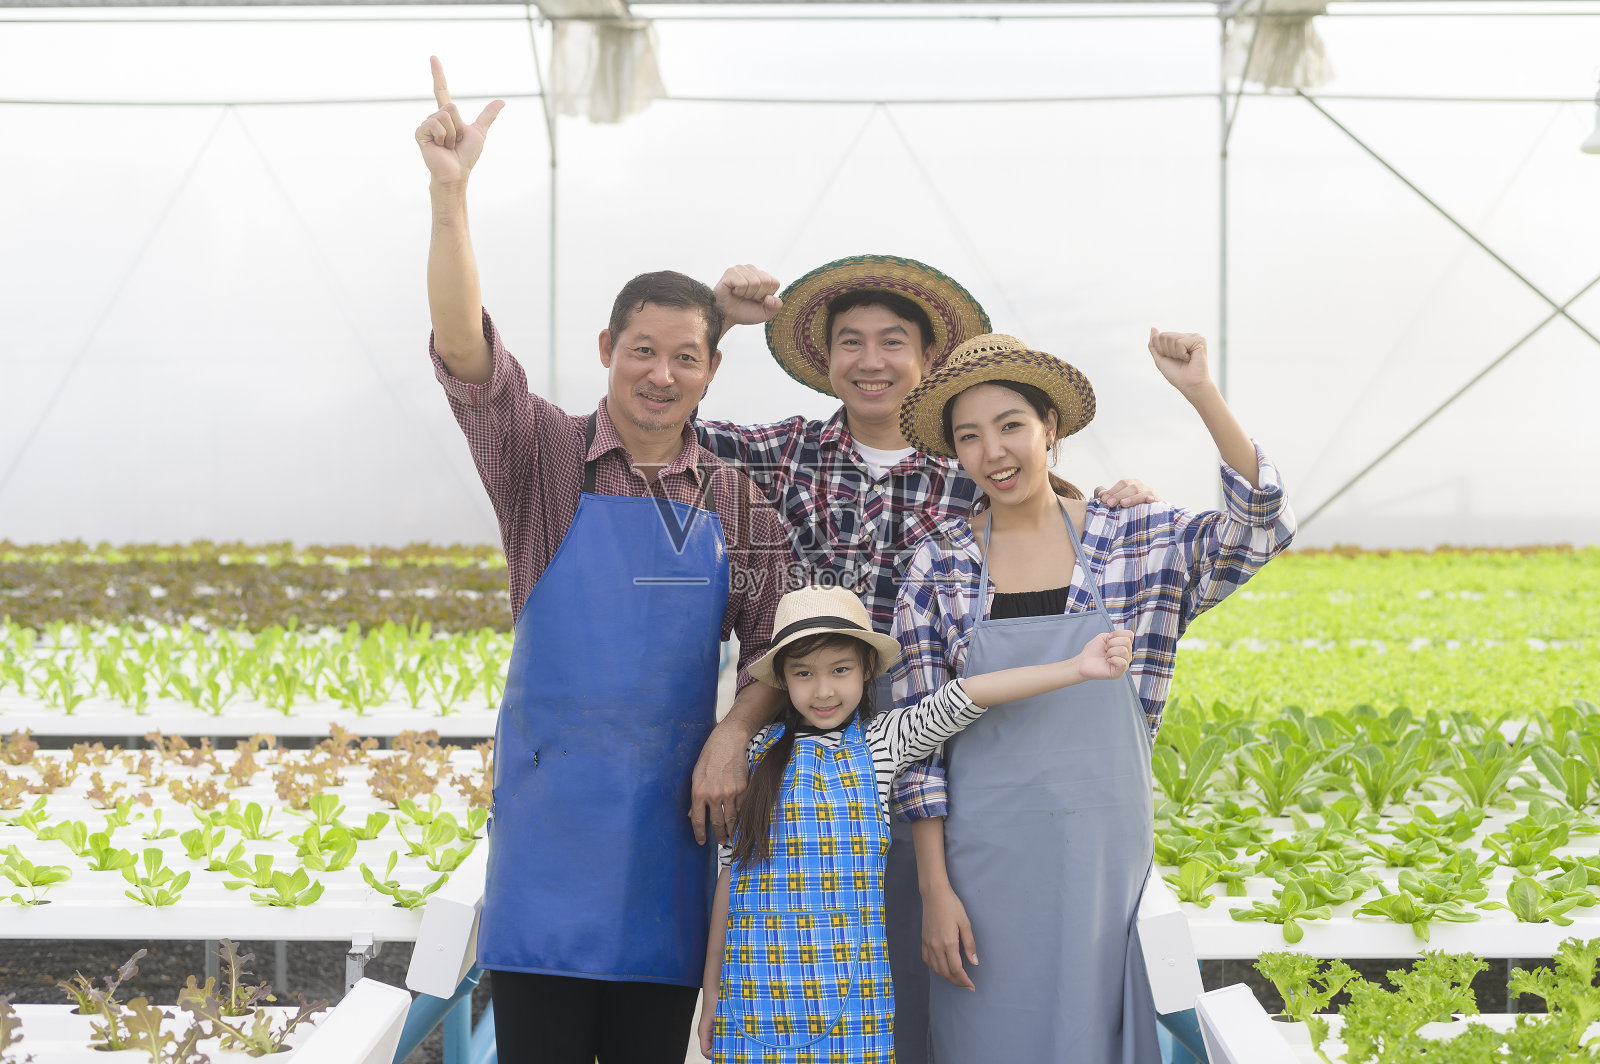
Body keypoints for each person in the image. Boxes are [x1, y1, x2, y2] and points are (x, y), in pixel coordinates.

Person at [415, 58, 794, 1062]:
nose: (660, 374)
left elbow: (780, 647)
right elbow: (463, 348)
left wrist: (731, 735)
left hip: (666, 840)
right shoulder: (543, 460)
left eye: (683, 356)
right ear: (606, 348)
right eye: (641, 350)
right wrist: (450, 194)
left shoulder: (734, 499)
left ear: (712, 367)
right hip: (549, 837)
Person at [701, 260, 1158, 1063]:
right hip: (812, 754)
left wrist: (1118, 498)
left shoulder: (969, 460)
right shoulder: (787, 451)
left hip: (943, 757)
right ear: (826, 360)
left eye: (892, 343)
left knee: (922, 956)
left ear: (926, 364)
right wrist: (715, 320)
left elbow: (1053, 523)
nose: (870, 360)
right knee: (816, 954)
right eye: (851, 343)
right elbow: (668, 426)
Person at [891, 330, 1297, 1062]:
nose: (995, 452)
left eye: (1012, 425)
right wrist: (935, 892)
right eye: (970, 437)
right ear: (955, 454)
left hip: (1106, 865)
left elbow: (1261, 529)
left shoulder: (1136, 539)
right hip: (981, 871)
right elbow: (919, 746)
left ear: (1051, 427)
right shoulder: (939, 565)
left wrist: (1199, 390)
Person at [694, 586, 1134, 1063]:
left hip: (853, 998)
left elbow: (967, 693)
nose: (823, 691)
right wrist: (712, 990)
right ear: (783, 679)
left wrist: (1075, 668)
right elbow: (729, 879)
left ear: (866, 669)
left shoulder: (885, 741)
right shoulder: (753, 755)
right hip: (752, 993)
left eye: (839, 670)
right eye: (804, 674)